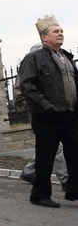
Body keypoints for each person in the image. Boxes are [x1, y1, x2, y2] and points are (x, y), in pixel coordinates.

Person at [18, 15, 78, 208]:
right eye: (56, 31)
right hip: (46, 115)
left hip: (70, 114)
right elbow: (27, 86)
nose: (60, 34)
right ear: (44, 37)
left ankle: (74, 191)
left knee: (75, 154)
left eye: (61, 31)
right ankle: (40, 194)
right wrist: (45, 106)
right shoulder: (33, 58)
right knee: (45, 157)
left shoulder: (67, 57)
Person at [16, 44, 69, 191]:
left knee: (48, 145)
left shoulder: (52, 69)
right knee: (56, 147)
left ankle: (29, 172)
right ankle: (66, 180)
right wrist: (33, 110)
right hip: (39, 113)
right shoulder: (27, 70)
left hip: (54, 112)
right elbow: (20, 97)